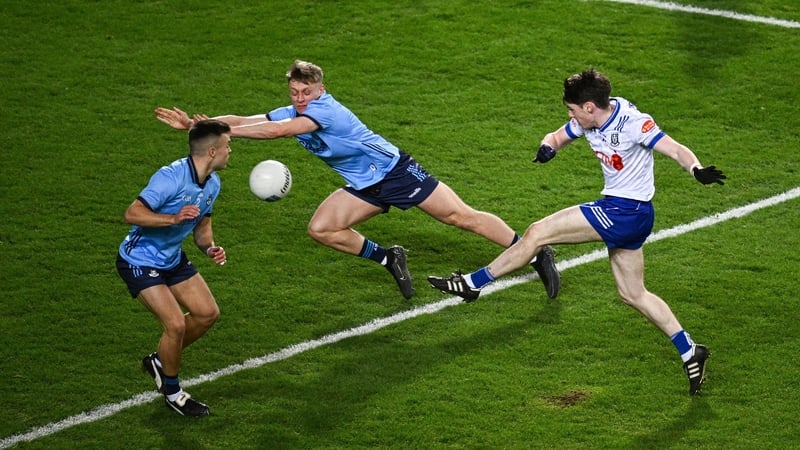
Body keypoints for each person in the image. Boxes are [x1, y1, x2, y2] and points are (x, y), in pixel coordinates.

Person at [154, 59, 560, 300]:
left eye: (306, 91)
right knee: (322, 228)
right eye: (295, 91)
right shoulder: (293, 108)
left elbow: (276, 132)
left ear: (320, 89)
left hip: (395, 172)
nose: (299, 98)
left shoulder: (325, 110)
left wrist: (224, 134)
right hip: (364, 185)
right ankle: (388, 257)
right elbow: (251, 120)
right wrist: (201, 123)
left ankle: (534, 250)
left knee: (460, 217)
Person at [428, 68, 726, 395]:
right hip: (631, 214)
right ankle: (689, 350)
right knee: (633, 294)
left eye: (572, 110)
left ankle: (472, 284)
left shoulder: (633, 122)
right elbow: (557, 137)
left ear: (588, 106)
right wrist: (548, 147)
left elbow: (675, 148)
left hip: (624, 211)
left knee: (538, 233)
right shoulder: (590, 119)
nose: (569, 115)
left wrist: (695, 169)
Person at [116, 119, 232, 416]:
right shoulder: (170, 177)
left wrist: (210, 248)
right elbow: (133, 213)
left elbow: (202, 230)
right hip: (139, 260)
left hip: (171, 259)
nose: (230, 151)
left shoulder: (213, 184)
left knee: (207, 314)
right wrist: (172, 219)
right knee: (176, 325)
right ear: (211, 152)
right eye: (227, 146)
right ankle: (173, 393)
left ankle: (159, 360)